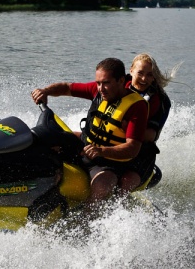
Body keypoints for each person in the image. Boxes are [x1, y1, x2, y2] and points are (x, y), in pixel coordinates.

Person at [31, 58, 148, 205]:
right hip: (85, 145)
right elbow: (67, 88)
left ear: (121, 80)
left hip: (111, 160)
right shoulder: (98, 90)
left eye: (106, 83)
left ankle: (86, 223)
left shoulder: (137, 106)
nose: (100, 88)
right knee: (43, 141)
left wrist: (101, 151)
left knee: (102, 186)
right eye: (98, 83)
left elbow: (132, 149)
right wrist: (45, 91)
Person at [119, 53, 173, 191]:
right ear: (131, 70)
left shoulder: (159, 100)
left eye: (149, 75)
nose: (144, 79)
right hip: (110, 141)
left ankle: (119, 210)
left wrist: (125, 128)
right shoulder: (116, 86)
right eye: (140, 73)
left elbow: (150, 135)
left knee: (126, 182)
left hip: (141, 153)